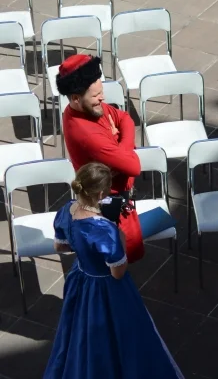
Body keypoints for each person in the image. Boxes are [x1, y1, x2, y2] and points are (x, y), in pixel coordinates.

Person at [45, 162, 183, 378]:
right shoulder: (104, 229)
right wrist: (119, 236)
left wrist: (83, 247)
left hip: (80, 279)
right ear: (101, 193)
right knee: (121, 336)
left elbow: (60, 246)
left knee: (78, 334)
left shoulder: (67, 209)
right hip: (105, 289)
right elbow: (117, 271)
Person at [56, 54, 144, 263]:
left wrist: (119, 144)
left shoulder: (89, 107)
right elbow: (134, 165)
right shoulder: (87, 134)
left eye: (101, 92)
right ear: (76, 98)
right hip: (109, 211)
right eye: (96, 96)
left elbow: (125, 118)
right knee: (114, 267)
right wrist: (123, 144)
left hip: (115, 202)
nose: (102, 99)